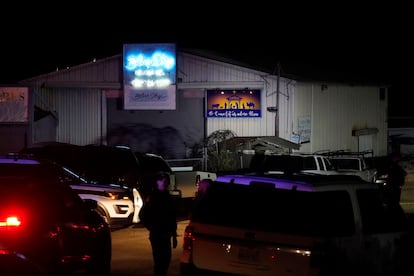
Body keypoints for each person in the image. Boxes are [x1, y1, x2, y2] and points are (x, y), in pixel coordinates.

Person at [138, 171, 178, 276]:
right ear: (157, 182)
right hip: (157, 235)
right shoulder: (152, 197)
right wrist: (152, 227)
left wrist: (174, 235)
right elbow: (142, 215)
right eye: (162, 180)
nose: (164, 182)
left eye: (166, 180)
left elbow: (172, 217)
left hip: (166, 235)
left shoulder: (168, 198)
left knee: (166, 260)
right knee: (159, 262)